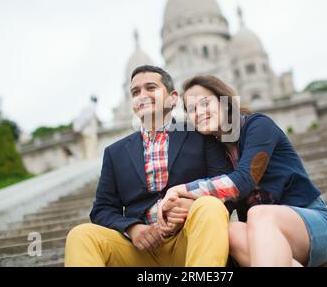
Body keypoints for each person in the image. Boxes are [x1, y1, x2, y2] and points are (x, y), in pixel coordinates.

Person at [157, 75, 327, 267]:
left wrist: (179, 190)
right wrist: (185, 207)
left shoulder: (259, 125)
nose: (199, 112)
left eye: (205, 103)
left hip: (315, 228)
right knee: (230, 232)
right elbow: (222, 204)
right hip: (265, 240)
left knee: (259, 214)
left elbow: (243, 181)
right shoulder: (214, 152)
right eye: (192, 109)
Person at [64, 66, 234, 267]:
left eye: (150, 88)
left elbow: (227, 185)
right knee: (81, 235)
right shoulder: (115, 153)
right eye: (135, 92)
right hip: (139, 252)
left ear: (172, 98)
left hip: (189, 241)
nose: (142, 95)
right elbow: (102, 209)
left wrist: (192, 205)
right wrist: (132, 228)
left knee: (210, 205)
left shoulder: (200, 136)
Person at [73, 95, 99, 160]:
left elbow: (78, 119)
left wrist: (77, 129)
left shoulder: (85, 108)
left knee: (85, 151)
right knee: (90, 150)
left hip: (84, 132)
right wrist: (78, 129)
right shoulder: (91, 108)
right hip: (88, 132)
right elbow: (86, 119)